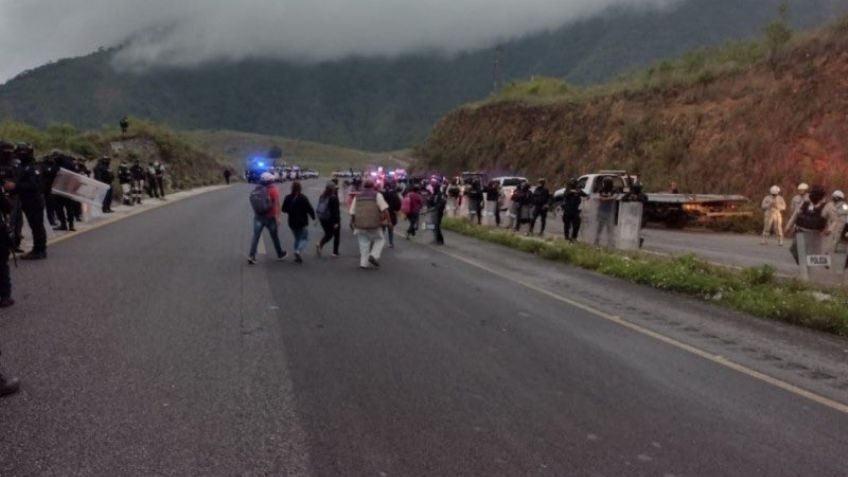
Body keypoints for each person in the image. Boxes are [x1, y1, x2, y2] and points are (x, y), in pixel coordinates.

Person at [5, 144, 47, 260]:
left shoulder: (34, 167)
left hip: (34, 200)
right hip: (25, 200)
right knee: (34, 226)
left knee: (37, 226)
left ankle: (39, 250)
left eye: (22, 153)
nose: (20, 155)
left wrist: (15, 186)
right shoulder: (22, 166)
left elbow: (34, 185)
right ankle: (38, 249)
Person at [247, 172, 287, 264]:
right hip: (270, 218)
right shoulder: (273, 190)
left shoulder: (257, 189)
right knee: (274, 237)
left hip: (258, 217)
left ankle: (251, 256)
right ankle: (280, 253)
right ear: (270, 181)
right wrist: (277, 218)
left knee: (256, 236)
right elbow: (277, 205)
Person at [349, 179, 389, 269]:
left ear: (364, 186)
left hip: (360, 225)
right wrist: (388, 221)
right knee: (380, 239)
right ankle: (374, 255)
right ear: (373, 186)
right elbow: (385, 210)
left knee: (363, 243)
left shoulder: (357, 196)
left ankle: (363, 264)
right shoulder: (377, 195)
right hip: (374, 224)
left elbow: (352, 212)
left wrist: (353, 222)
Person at [785, 185, 828, 264]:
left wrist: (828, 230)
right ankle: (804, 263)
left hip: (816, 233)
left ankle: (816, 265)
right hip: (801, 230)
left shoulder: (825, 206)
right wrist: (788, 227)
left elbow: (830, 220)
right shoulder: (805, 203)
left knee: (815, 252)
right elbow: (796, 214)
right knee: (793, 249)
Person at [281, 181, 315, 264]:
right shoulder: (303, 198)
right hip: (302, 222)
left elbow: (283, 209)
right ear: (300, 188)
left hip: (292, 222)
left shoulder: (288, 198)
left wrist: (290, 210)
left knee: (297, 238)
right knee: (304, 239)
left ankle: (297, 256)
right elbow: (309, 209)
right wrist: (313, 217)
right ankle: (298, 251)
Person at [316, 181, 342, 257]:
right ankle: (335, 252)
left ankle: (320, 244)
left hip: (323, 218)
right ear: (332, 189)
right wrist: (336, 222)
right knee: (336, 235)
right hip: (332, 219)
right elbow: (335, 211)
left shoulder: (322, 196)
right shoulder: (334, 198)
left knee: (329, 234)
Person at [594, 176, 617, 247]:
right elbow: (598, 197)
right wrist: (606, 199)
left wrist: (605, 199)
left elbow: (614, 197)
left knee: (609, 228)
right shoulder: (601, 189)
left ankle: (610, 242)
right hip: (601, 210)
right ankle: (596, 240)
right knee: (599, 227)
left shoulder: (613, 190)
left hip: (609, 211)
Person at [562, 179, 585, 243]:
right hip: (568, 210)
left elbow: (584, 194)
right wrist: (572, 191)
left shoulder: (578, 190)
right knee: (567, 225)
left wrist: (579, 192)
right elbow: (565, 194)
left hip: (575, 210)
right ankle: (566, 237)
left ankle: (574, 238)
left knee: (577, 224)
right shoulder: (567, 190)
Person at [382, 182, 402, 248]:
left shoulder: (382, 194)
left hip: (383, 214)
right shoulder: (394, 195)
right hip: (391, 214)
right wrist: (396, 210)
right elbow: (398, 204)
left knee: (382, 229)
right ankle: (391, 243)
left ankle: (381, 242)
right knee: (390, 230)